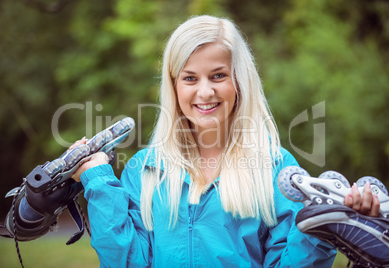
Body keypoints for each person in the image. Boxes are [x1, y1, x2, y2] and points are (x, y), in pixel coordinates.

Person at [71, 15, 380, 267]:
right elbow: (125, 263)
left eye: (218, 76)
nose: (205, 92)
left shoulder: (275, 167)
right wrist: (98, 181)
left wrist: (320, 229)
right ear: (174, 86)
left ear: (238, 81)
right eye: (190, 78)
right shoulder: (143, 171)